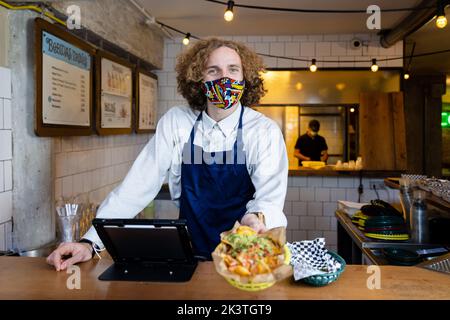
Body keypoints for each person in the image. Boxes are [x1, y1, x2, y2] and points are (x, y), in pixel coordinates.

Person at [47, 38, 288, 271]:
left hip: (245, 257)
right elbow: (137, 186)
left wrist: (256, 219)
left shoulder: (262, 131)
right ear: (198, 79)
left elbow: (269, 196)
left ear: (245, 78)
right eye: (213, 71)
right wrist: (90, 242)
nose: (224, 78)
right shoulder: (177, 122)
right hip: (191, 256)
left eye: (233, 70)